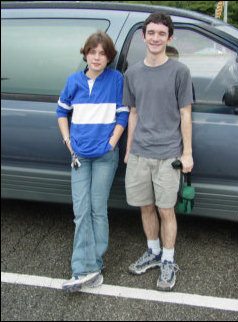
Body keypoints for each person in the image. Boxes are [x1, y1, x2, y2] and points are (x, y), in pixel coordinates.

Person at [123, 12, 194, 291]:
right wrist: (129, 150)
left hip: (168, 155)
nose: (155, 38)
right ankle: (153, 252)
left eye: (161, 34)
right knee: (145, 207)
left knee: (166, 210)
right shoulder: (132, 73)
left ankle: (168, 259)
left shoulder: (180, 72)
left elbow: (185, 114)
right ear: (143, 37)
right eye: (150, 33)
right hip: (140, 153)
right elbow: (133, 114)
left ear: (169, 38)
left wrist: (187, 153)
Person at [57, 32, 129, 292]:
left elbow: (123, 115)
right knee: (81, 211)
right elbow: (61, 111)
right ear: (85, 54)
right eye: (92, 52)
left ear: (109, 57)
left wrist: (111, 144)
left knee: (98, 209)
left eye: (102, 53)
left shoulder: (116, 79)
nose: (97, 57)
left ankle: (93, 264)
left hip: (105, 156)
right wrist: (68, 142)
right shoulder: (73, 81)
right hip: (79, 156)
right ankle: (82, 268)